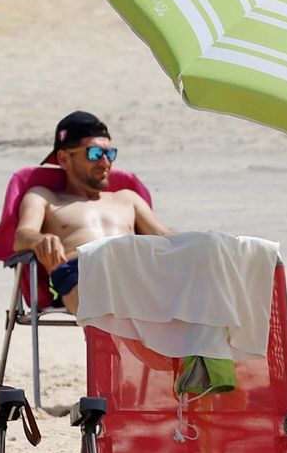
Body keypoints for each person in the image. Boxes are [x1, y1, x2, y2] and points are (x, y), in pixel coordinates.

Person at [10, 110, 169, 313]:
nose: (105, 162)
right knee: (112, 306)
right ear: (64, 159)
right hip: (81, 273)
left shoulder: (127, 199)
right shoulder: (45, 197)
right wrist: (40, 240)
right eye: (94, 154)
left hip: (133, 270)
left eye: (110, 154)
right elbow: (22, 236)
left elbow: (164, 237)